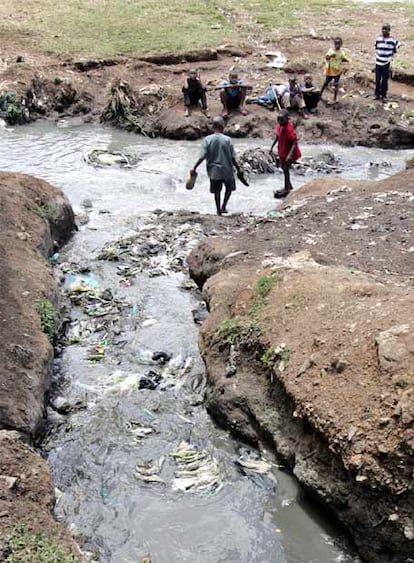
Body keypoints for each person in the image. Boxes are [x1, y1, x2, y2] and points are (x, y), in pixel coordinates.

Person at [191, 116, 242, 216]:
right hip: (227, 170)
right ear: (222, 126)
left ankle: (218, 210)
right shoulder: (227, 140)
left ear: (213, 127)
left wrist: (194, 167)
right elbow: (232, 157)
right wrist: (238, 168)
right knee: (229, 188)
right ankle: (224, 206)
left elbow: (202, 156)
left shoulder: (208, 140)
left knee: (217, 191)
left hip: (214, 171)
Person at [269, 109, 301, 199]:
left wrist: (290, 155)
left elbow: (294, 143)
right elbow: (277, 137)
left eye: (282, 120)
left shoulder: (289, 129)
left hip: (290, 152)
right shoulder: (279, 126)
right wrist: (272, 147)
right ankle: (288, 185)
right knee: (284, 168)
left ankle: (287, 188)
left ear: (287, 119)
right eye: (278, 119)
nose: (280, 121)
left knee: (286, 168)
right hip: (283, 151)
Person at [320, 37, 349, 104]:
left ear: (341, 44)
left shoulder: (342, 52)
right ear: (334, 44)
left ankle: (334, 98)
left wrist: (343, 60)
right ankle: (320, 94)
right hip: (330, 70)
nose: (337, 45)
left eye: (338, 44)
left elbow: (346, 59)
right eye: (336, 44)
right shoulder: (331, 50)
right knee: (325, 83)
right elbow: (326, 57)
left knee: (336, 84)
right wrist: (330, 56)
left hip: (337, 70)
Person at [375, 23, 400, 102]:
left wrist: (392, 52)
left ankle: (384, 95)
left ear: (389, 30)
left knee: (385, 80)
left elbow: (397, 45)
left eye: (386, 29)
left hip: (386, 63)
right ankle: (377, 94)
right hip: (378, 62)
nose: (384, 30)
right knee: (377, 79)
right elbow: (376, 47)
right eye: (383, 29)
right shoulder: (378, 39)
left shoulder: (392, 40)